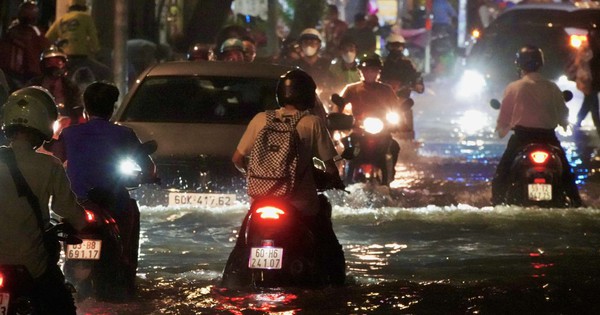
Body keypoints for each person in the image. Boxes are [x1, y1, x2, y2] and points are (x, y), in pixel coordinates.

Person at [232, 69, 345, 284]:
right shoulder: (312, 123)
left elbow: (237, 159)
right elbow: (329, 166)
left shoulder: (260, 119)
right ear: (309, 95)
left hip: (261, 201)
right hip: (300, 202)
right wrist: (334, 179)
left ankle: (233, 277)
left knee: (241, 243)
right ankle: (337, 281)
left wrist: (255, 175)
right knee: (326, 237)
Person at [49, 82, 156, 295]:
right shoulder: (124, 133)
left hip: (77, 205)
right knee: (131, 212)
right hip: (113, 203)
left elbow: (54, 161)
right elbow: (148, 168)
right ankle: (125, 269)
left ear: (86, 108)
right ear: (112, 107)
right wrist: (149, 177)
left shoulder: (68, 134)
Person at [0, 86, 86, 314]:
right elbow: (67, 209)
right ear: (43, 123)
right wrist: (83, 224)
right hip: (32, 267)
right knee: (62, 305)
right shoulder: (50, 165)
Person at [491, 45, 582, 207]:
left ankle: (496, 203)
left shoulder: (513, 87)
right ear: (541, 63)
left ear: (519, 64)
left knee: (501, 175)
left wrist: (501, 131)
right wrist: (564, 124)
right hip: (548, 139)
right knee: (567, 175)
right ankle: (576, 202)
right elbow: (563, 115)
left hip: (521, 139)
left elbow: (503, 119)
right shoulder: (552, 87)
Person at [339, 53, 402, 183]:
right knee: (347, 147)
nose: (369, 73)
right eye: (366, 70)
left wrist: (397, 121)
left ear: (378, 72)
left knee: (394, 147)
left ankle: (389, 177)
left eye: (373, 70)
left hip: (382, 132)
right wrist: (338, 120)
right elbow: (339, 108)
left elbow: (396, 109)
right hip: (358, 131)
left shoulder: (387, 90)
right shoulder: (351, 89)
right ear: (360, 71)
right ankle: (345, 179)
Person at [45, 0, 111, 81]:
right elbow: (94, 39)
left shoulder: (61, 19)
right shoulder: (86, 17)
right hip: (81, 58)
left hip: (66, 59)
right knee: (106, 72)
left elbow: (47, 38)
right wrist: (96, 51)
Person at [26, 45, 84, 136]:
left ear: (64, 65)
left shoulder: (70, 87)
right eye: (50, 63)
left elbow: (77, 108)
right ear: (43, 65)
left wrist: (71, 120)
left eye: (58, 62)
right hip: (38, 127)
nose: (54, 66)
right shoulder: (34, 84)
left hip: (65, 129)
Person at [0, 1, 50, 89]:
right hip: (25, 73)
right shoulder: (35, 32)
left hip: (13, 73)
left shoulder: (11, 30)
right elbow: (45, 48)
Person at [380, 33, 424, 99]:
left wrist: (418, 84)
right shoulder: (382, 62)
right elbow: (375, 75)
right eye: (393, 46)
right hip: (385, 98)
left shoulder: (408, 63)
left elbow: (416, 75)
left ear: (402, 48)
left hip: (403, 97)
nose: (396, 49)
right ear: (388, 47)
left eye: (398, 46)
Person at [574, 28, 600, 136]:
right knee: (592, 103)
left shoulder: (590, 48)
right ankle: (598, 127)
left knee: (589, 102)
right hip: (589, 79)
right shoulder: (587, 48)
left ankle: (578, 123)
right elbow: (584, 60)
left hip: (592, 79)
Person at [292, 28, 333, 93]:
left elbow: (334, 85)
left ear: (319, 45)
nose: (309, 46)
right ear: (301, 45)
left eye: (312, 42)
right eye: (305, 42)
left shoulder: (327, 65)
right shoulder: (294, 66)